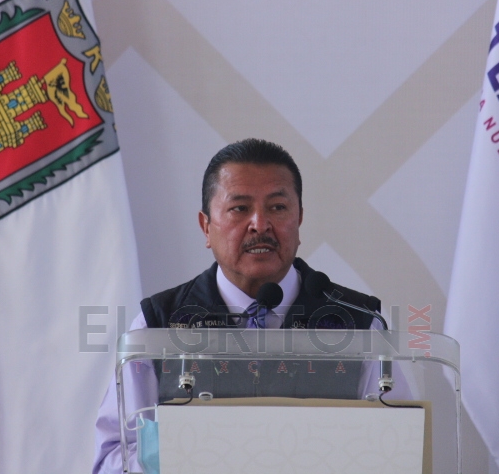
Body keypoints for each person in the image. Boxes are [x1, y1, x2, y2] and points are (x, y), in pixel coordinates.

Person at [91, 139, 387, 473]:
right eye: (240, 208)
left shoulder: (360, 324)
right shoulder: (157, 325)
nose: (260, 224)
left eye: (277, 207)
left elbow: (397, 447)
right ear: (206, 226)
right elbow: (114, 458)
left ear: (299, 219)